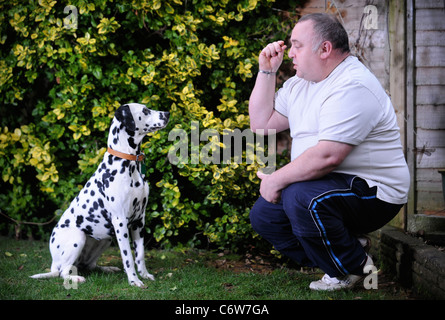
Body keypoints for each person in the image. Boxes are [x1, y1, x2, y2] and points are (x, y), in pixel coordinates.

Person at [248, 13, 410, 291]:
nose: (290, 52)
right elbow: (261, 124)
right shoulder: (301, 84)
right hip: (331, 186)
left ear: (325, 49)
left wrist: (276, 179)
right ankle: (347, 253)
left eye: (297, 45)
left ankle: (354, 268)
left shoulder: (351, 84)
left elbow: (328, 156)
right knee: (265, 216)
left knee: (300, 197)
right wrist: (266, 72)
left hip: (375, 192)